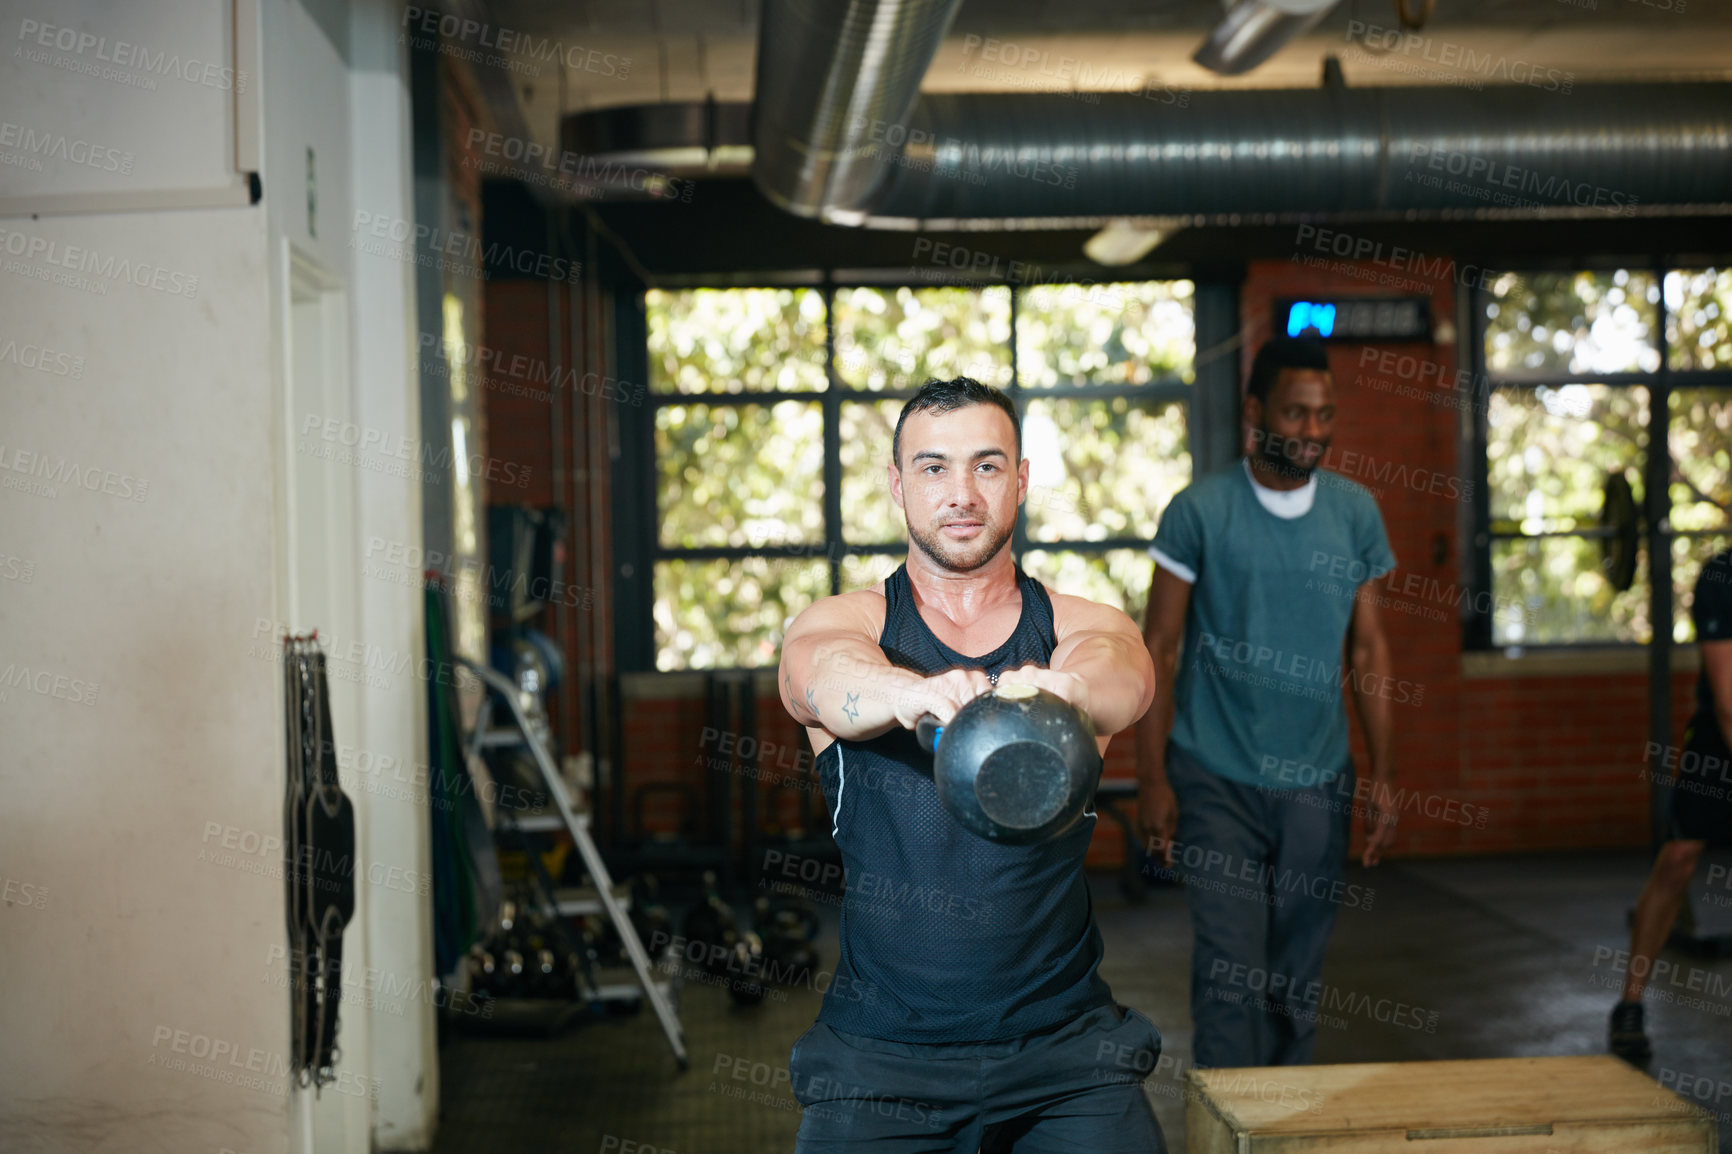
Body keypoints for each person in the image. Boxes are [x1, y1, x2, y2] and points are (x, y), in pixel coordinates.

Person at [778, 377, 1166, 1152]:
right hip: (880, 1056)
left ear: (1021, 480)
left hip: (1065, 1053)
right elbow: (817, 677)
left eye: (987, 467)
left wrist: (1067, 691)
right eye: (933, 468)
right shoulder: (847, 622)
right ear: (897, 485)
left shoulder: (1078, 629)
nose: (961, 492)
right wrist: (912, 692)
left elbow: (1125, 674)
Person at [1134, 335, 1399, 1070]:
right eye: (1295, 413)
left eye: (1325, 415)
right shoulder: (1199, 511)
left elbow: (1371, 650)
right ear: (1256, 411)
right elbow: (1159, 646)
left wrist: (1383, 773)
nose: (1312, 431)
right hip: (1214, 773)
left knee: (1294, 978)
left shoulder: (1353, 514)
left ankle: (1281, 1128)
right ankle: (1228, 1132)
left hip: (1317, 778)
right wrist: (1152, 777)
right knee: (1229, 973)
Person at [1609, 547, 1732, 1068]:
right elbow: (1728, 700)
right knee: (1677, 861)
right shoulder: (1721, 577)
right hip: (1719, 739)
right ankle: (1631, 1003)